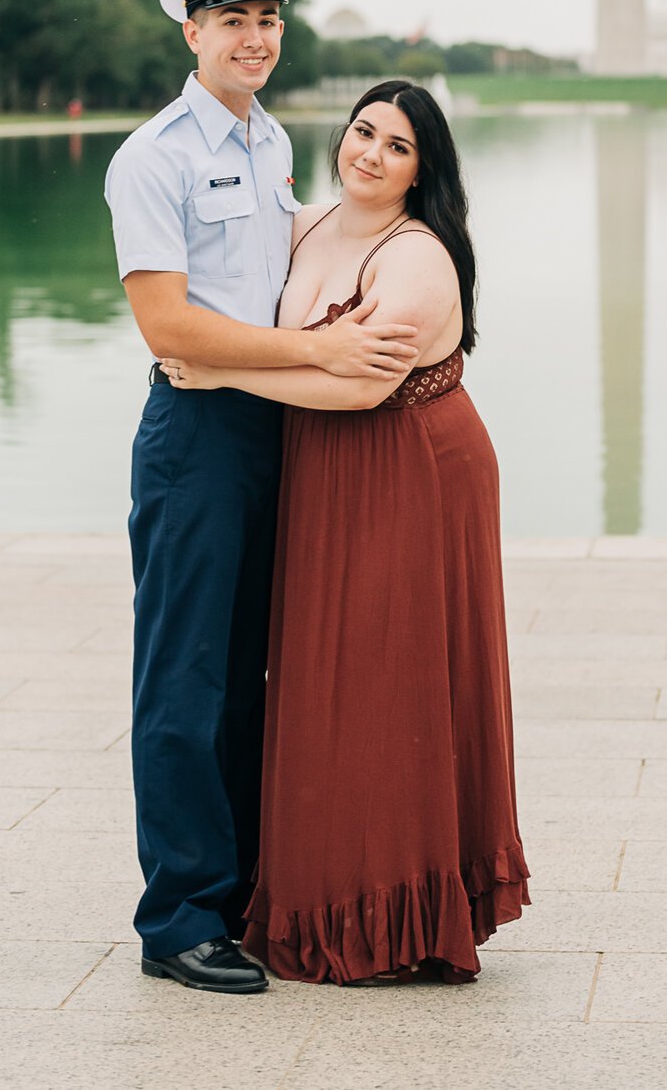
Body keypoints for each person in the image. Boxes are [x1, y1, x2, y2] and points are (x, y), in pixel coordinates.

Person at [159, 77, 530, 983]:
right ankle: (324, 894)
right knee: (323, 678)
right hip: (327, 461)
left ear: (422, 168)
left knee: (389, 679)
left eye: (397, 145)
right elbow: (219, 284)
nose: (370, 152)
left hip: (408, 464)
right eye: (364, 131)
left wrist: (218, 374)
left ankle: (399, 914)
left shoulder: (418, 258)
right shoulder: (307, 225)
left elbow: (361, 385)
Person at [105, 0, 421, 995]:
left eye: (268, 19)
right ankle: (179, 919)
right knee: (185, 682)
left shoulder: (273, 140)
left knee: (254, 682)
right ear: (190, 31)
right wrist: (317, 351)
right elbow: (170, 326)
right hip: (198, 437)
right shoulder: (151, 157)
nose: (254, 37)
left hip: (279, 428)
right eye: (231, 19)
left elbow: (311, 250)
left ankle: (241, 896)